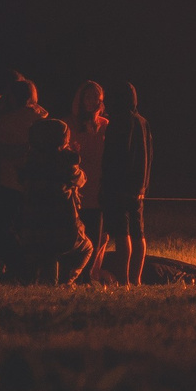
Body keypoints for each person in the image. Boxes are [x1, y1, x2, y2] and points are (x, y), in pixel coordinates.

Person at [0, 76, 48, 280]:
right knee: (21, 229)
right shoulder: (41, 119)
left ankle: (15, 268)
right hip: (32, 183)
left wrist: (0, 149)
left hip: (8, 183)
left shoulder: (9, 121)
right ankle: (15, 270)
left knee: (0, 228)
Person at [12, 117, 95, 285]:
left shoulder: (30, 162)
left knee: (46, 254)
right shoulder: (66, 163)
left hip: (32, 226)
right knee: (87, 247)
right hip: (63, 228)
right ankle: (67, 280)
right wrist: (72, 154)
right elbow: (81, 179)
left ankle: (44, 282)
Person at [105, 83, 153, 286]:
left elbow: (115, 155)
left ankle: (124, 279)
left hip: (119, 185)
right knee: (138, 232)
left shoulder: (118, 122)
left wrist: (108, 183)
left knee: (122, 232)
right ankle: (137, 278)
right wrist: (143, 185)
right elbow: (149, 155)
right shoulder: (143, 122)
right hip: (139, 186)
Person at [70, 82, 110, 276]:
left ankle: (88, 274)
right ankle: (74, 272)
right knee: (76, 233)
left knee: (97, 234)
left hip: (98, 188)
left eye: (95, 97)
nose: (91, 101)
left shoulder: (105, 125)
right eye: (88, 97)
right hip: (77, 188)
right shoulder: (71, 125)